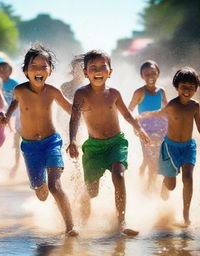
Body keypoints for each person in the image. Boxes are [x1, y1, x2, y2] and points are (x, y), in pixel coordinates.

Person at [0, 43, 78, 236]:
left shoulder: (53, 91)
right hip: (30, 148)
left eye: (43, 66)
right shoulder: (20, 90)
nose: (39, 70)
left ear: (50, 70)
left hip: (52, 143)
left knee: (54, 186)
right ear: (25, 71)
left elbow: (72, 110)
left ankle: (71, 226)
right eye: (34, 66)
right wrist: (6, 116)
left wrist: (89, 105)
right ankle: (44, 197)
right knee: (41, 194)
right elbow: (16, 101)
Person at [67, 50, 149, 235]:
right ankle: (81, 214)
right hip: (94, 147)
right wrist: (72, 140)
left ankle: (121, 221)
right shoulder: (81, 93)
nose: (97, 70)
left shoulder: (114, 93)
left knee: (119, 175)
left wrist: (139, 129)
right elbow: (74, 118)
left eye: (102, 67)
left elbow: (127, 115)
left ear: (110, 71)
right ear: (85, 72)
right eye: (92, 68)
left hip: (116, 143)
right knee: (92, 191)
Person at [139, 67, 200, 226]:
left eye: (191, 87)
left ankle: (186, 214)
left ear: (196, 89)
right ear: (177, 87)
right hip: (170, 148)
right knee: (171, 186)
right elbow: (160, 112)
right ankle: (165, 184)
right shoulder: (173, 105)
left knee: (188, 177)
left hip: (188, 147)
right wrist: (146, 115)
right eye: (183, 87)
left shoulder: (195, 106)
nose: (187, 90)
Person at [128, 60, 168, 190]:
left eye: (153, 73)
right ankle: (149, 188)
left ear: (158, 73)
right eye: (146, 74)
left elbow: (168, 109)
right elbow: (129, 110)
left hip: (161, 128)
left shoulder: (161, 91)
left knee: (153, 158)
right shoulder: (139, 92)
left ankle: (146, 177)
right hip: (145, 130)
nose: (150, 76)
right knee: (151, 159)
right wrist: (135, 125)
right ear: (142, 76)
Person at [0, 61, 20, 177]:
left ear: (10, 71)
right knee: (8, 141)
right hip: (8, 117)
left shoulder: (14, 83)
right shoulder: (0, 84)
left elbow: (19, 100)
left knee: (16, 141)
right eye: (0, 69)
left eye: (5, 69)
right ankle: (3, 165)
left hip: (17, 116)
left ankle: (16, 165)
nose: (2, 71)